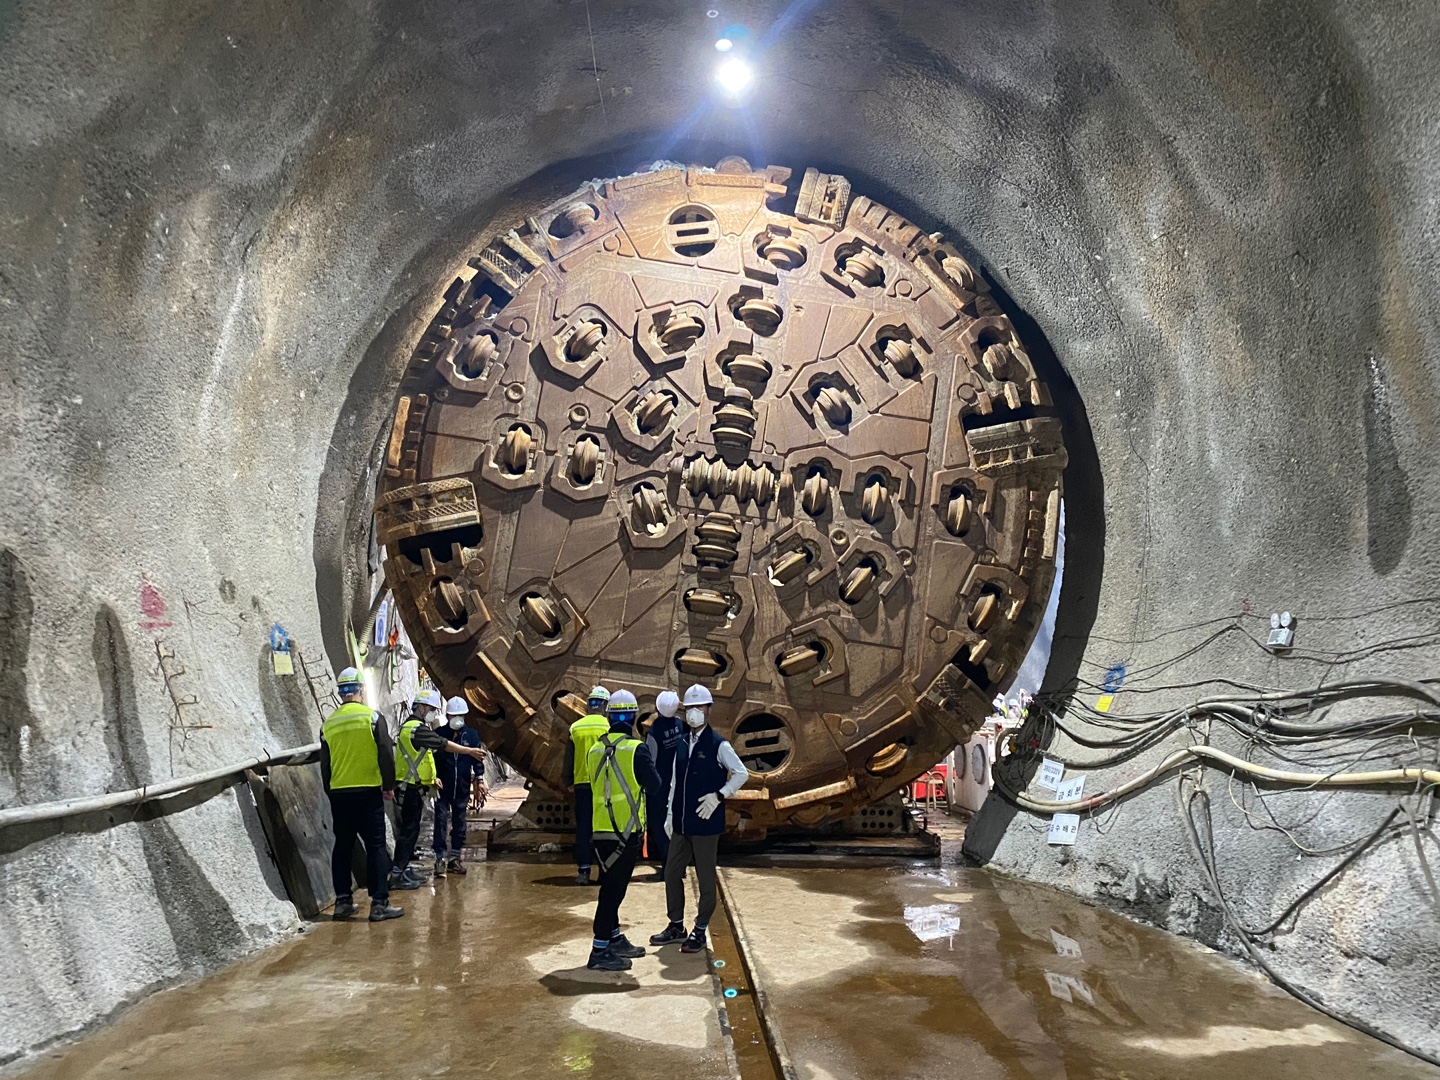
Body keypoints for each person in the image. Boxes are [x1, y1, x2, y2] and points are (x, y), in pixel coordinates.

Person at [650, 683, 748, 954]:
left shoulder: (719, 745)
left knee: (706, 880)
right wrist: (669, 814)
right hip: (681, 823)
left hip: (706, 824)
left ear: (708, 710)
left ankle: (700, 929)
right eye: (690, 707)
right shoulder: (681, 742)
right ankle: (676, 925)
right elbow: (673, 782)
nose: (694, 712)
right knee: (671, 873)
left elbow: (741, 774)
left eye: (699, 707)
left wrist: (720, 795)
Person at [586, 689, 663, 971]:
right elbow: (654, 786)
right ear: (632, 717)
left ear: (608, 716)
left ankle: (614, 937)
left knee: (611, 886)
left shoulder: (595, 749)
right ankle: (599, 950)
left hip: (600, 831)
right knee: (613, 892)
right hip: (626, 832)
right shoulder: (635, 749)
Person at [319, 667, 404, 922]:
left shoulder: (328, 725)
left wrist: (331, 791)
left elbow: (326, 766)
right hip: (367, 792)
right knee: (375, 846)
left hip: (339, 794)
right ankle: (379, 904)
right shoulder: (372, 718)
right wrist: (388, 784)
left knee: (342, 847)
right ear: (361, 690)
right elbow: (386, 756)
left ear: (341, 693)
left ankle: (343, 902)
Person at [389, 688, 485, 892]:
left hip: (439, 786)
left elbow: (426, 759)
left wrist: (478, 778)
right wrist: (469, 751)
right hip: (413, 787)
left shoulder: (469, 734)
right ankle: (402, 871)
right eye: (431, 708)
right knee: (418, 828)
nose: (433, 712)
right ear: (421, 707)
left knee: (424, 827)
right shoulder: (423, 730)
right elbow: (442, 746)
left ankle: (407, 868)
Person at [563, 686, 611, 886]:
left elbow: (568, 759)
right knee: (603, 829)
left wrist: (568, 782)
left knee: (583, 829)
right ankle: (603, 870)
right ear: (605, 705)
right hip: (604, 785)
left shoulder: (576, 727)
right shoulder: (609, 727)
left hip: (582, 784)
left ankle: (583, 871)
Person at [432, 696, 484, 879]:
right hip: (442, 786)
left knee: (460, 823)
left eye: (460, 715)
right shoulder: (438, 734)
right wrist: (434, 777)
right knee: (440, 822)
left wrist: (480, 779)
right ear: (448, 715)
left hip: (461, 786)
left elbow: (478, 759)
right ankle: (439, 859)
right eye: (454, 715)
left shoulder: (472, 735)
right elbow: (431, 759)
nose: (457, 718)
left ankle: (455, 858)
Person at [644, 690, 683, 872]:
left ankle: (669, 865)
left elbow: (650, 759)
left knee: (658, 825)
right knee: (676, 824)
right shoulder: (680, 725)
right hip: (678, 782)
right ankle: (679, 864)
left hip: (660, 785)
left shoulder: (654, 731)